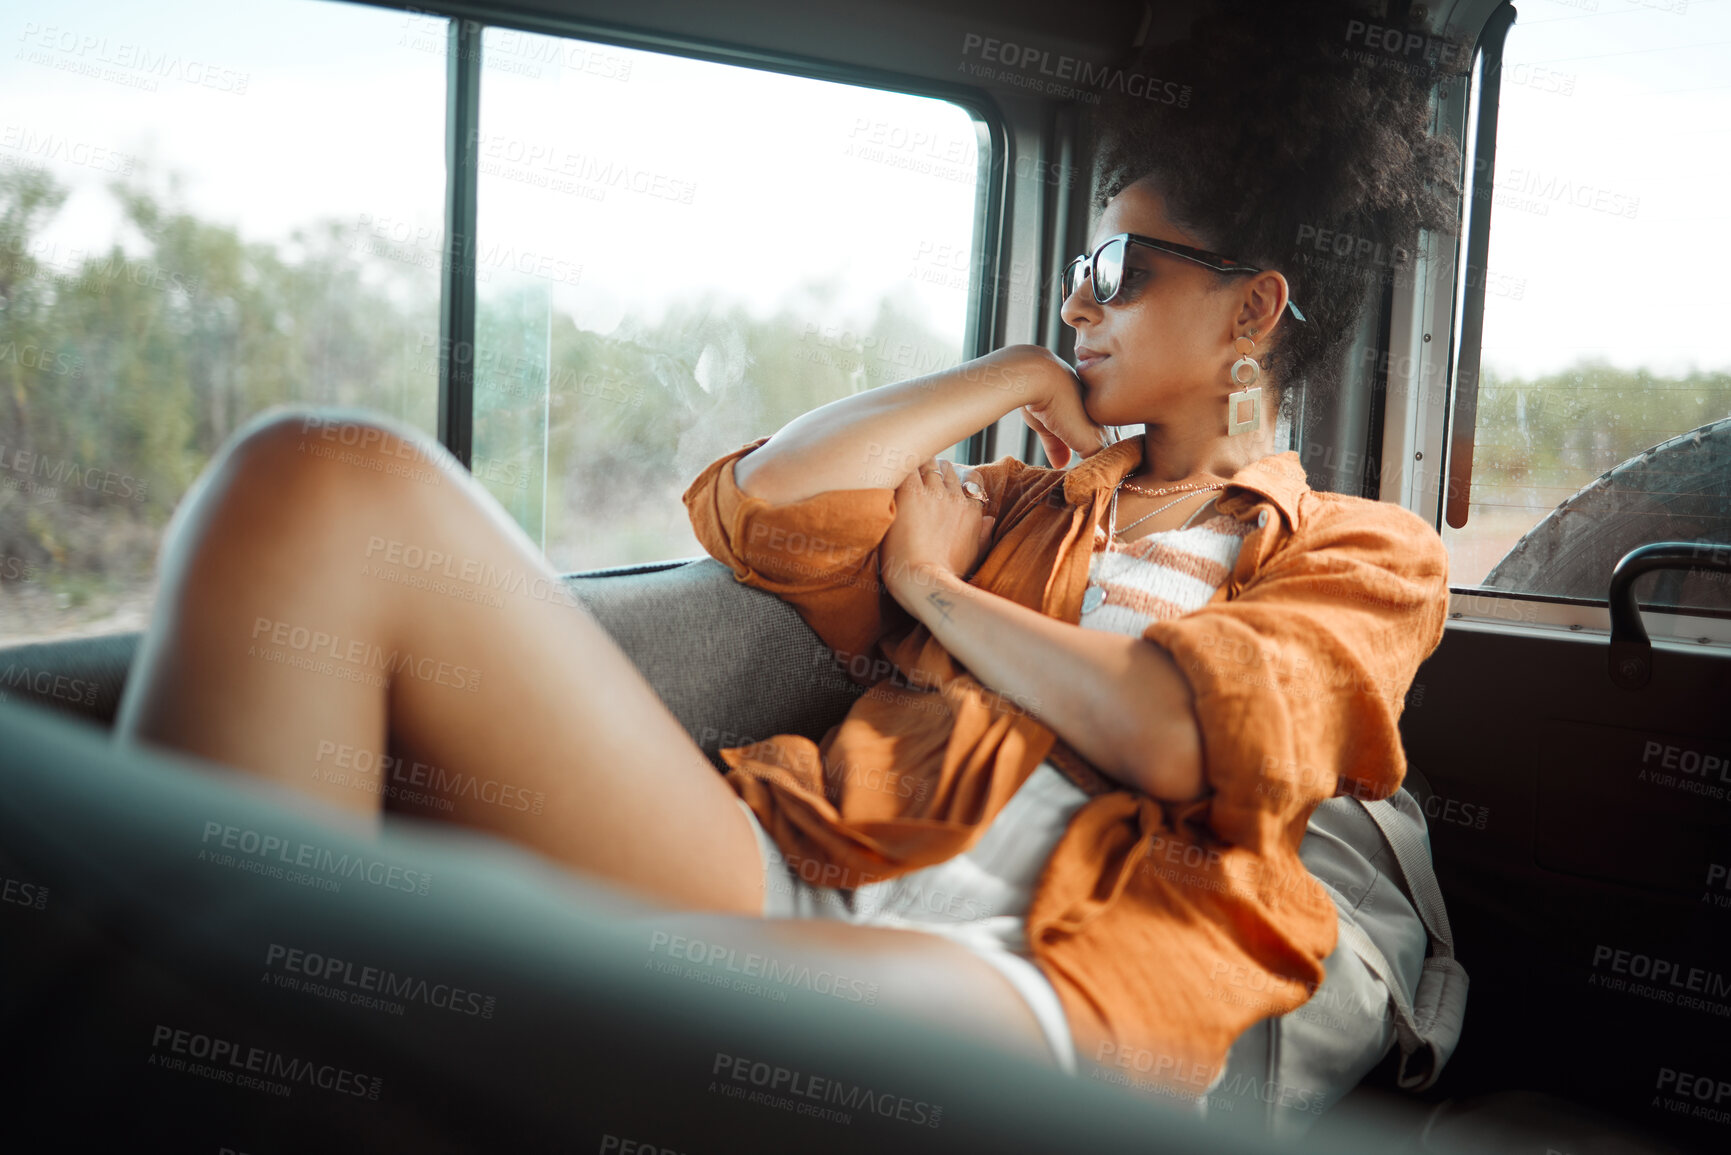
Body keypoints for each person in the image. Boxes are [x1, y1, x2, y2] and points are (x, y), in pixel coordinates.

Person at [114, 0, 1460, 1111]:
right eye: (1076, 265)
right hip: (817, 856)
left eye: (1113, 268)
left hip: (1052, 970)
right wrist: (1002, 371)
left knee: (551, 1001)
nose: (1077, 300)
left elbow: (1177, 735)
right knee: (324, 482)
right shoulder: (1016, 502)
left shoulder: (1362, 555)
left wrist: (933, 590)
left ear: (1253, 308)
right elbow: (761, 510)